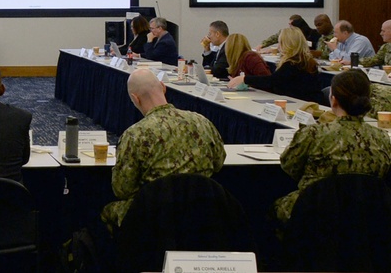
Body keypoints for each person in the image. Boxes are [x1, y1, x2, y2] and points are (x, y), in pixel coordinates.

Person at [100, 68, 225, 231]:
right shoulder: (202, 122)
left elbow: (122, 189)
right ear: (163, 87)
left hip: (153, 215)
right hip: (202, 211)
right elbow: (219, 163)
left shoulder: (135, 135)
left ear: (135, 99)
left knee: (106, 212)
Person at [272, 69, 391, 224]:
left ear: (333, 100)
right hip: (366, 214)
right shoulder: (381, 138)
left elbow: (289, 167)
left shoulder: (314, 134)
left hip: (314, 211)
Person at [229, 27, 323, 103]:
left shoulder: (293, 63)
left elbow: (272, 81)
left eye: (280, 43)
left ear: (288, 44)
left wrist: (244, 79)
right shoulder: (304, 61)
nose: (278, 47)